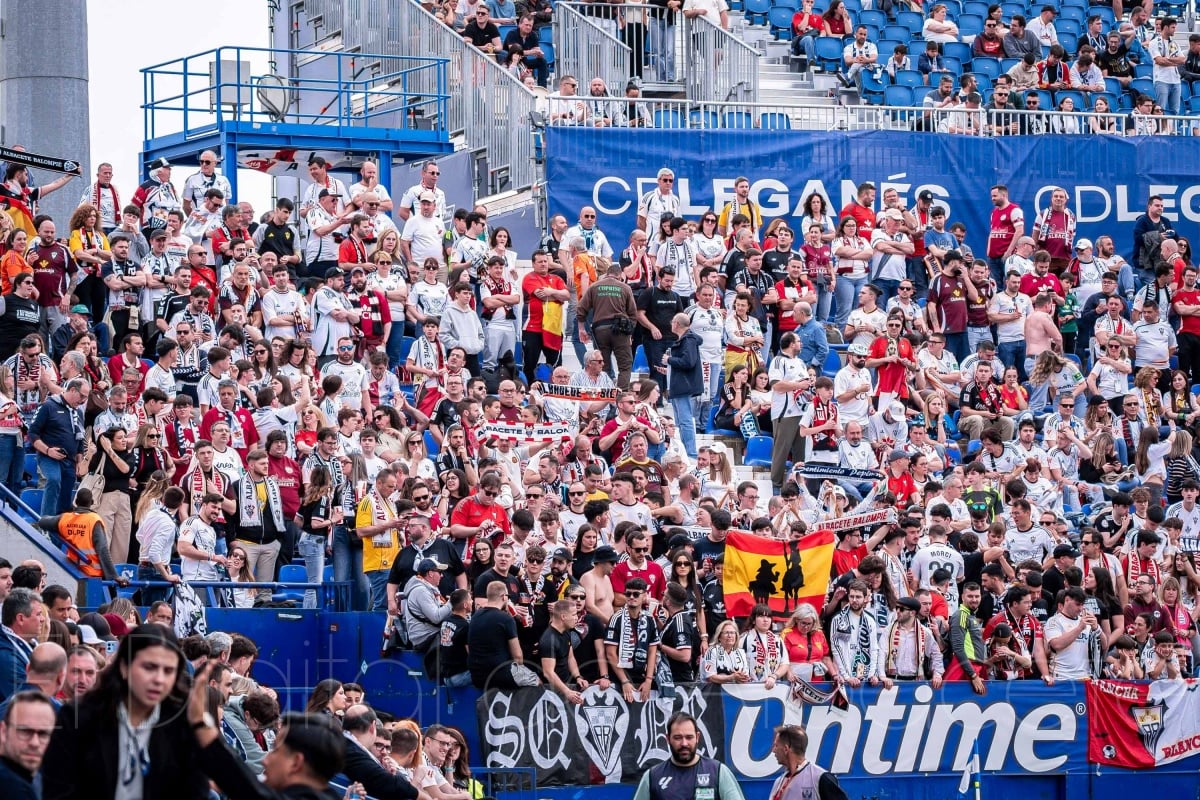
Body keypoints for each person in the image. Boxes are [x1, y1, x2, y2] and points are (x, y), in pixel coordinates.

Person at [42, 623, 211, 799]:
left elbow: (196, 791)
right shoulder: (78, 717)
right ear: (124, 666)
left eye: (168, 671)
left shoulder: (183, 724)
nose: (159, 679)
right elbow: (58, 789)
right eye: (149, 667)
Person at [633, 712, 745, 800]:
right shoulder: (652, 777)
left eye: (689, 737)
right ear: (668, 739)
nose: (684, 743)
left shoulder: (718, 772)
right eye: (677, 738)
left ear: (697, 737)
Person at [768, 724, 849, 800]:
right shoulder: (778, 783)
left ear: (786, 749)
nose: (773, 750)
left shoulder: (820, 778)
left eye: (776, 746)